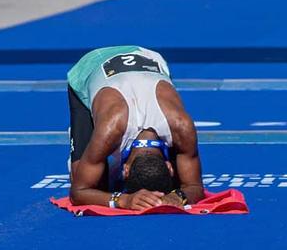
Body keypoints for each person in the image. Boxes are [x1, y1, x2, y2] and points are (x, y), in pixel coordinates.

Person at [67, 46, 203, 210]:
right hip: (90, 65)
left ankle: (98, 152)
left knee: (177, 182)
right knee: (86, 179)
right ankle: (92, 134)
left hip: (147, 59)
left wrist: (178, 196)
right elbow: (77, 192)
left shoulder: (181, 126)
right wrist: (123, 200)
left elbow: (194, 187)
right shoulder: (111, 129)